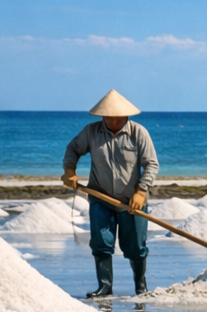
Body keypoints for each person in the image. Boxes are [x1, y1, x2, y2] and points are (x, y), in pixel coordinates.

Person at [61, 89, 159, 298]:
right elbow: (73, 149)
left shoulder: (138, 133)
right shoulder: (91, 132)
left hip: (131, 201)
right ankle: (105, 287)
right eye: (108, 117)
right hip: (100, 198)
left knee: (135, 247)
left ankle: (140, 286)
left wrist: (141, 191)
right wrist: (70, 171)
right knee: (101, 243)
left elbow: (151, 164)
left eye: (117, 117)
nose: (113, 121)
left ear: (126, 116)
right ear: (102, 115)